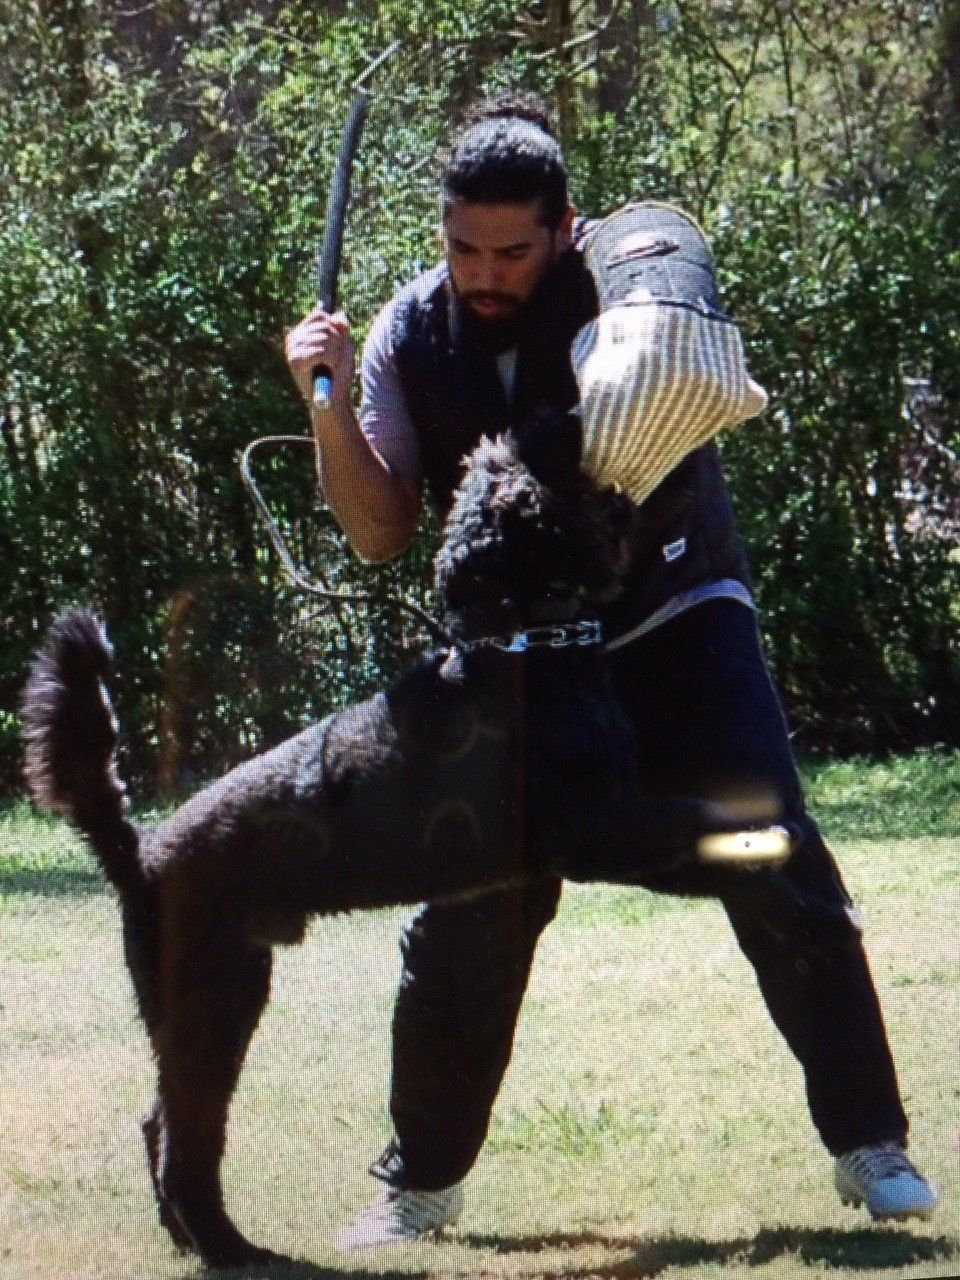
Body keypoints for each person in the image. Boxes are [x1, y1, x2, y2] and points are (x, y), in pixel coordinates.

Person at [284, 93, 938, 1247]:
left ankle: (871, 1146)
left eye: (513, 251)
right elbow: (381, 531)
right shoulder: (407, 333)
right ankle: (419, 1184)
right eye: (465, 249)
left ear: (565, 227)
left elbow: (686, 369)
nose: (486, 274)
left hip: (676, 612)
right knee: (469, 907)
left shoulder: (630, 289)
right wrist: (324, 405)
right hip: (517, 661)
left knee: (769, 847)